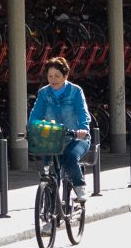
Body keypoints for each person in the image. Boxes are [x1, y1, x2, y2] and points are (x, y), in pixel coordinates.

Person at [28, 54, 93, 196]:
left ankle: (79, 186)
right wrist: (31, 129)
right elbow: (36, 114)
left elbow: (82, 113)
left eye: (57, 76)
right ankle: (51, 202)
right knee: (49, 170)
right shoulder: (44, 93)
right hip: (52, 139)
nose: (53, 80)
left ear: (65, 76)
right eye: (50, 76)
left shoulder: (75, 91)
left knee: (70, 158)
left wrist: (83, 129)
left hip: (76, 138)